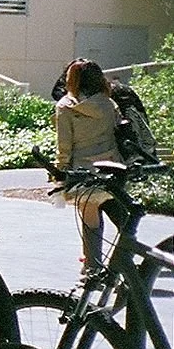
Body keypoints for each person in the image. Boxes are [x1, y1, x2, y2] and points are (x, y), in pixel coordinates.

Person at [55, 58, 122, 277]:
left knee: (90, 222)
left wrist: (60, 177)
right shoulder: (109, 103)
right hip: (113, 168)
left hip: (84, 173)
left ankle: (93, 268)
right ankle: (124, 264)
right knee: (123, 220)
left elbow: (64, 147)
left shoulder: (66, 106)